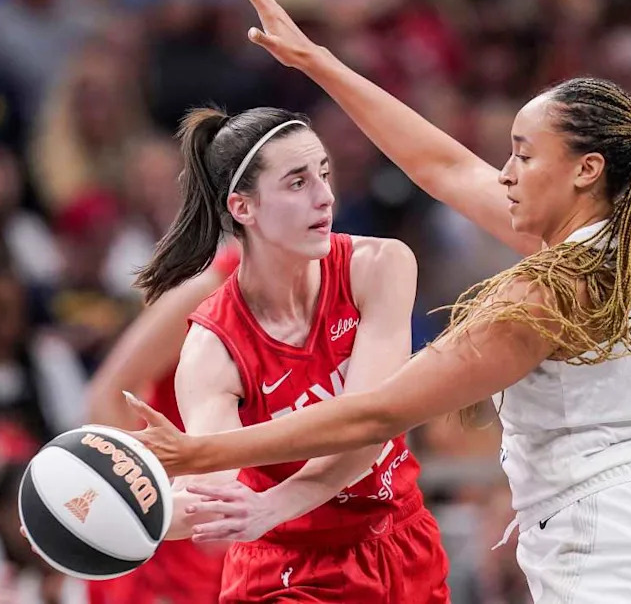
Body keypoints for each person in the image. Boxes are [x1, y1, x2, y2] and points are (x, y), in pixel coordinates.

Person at [127, 0, 631, 604]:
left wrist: (208, 453)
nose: (503, 172)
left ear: (585, 171)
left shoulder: (552, 291)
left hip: (615, 546)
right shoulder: (628, 242)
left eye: (522, 155)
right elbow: (443, 167)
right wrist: (318, 62)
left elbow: (377, 415)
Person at [128, 105, 450, 603]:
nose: (325, 197)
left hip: (403, 544)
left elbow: (368, 428)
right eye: (297, 183)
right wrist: (130, 514)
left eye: (324, 173)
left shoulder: (380, 265)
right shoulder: (212, 347)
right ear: (243, 208)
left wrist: (271, 504)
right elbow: (214, 484)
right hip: (289, 569)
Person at [84, 243, 240, 604]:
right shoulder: (212, 290)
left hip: (254, 535)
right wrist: (158, 503)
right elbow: (106, 398)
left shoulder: (331, 291)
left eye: (325, 182)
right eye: (296, 183)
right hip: (173, 548)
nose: (322, 198)